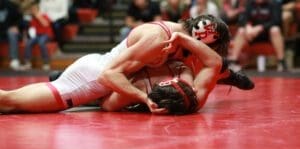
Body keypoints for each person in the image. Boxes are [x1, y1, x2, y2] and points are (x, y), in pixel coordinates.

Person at [96, 14, 253, 114]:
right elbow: (214, 62)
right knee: (212, 65)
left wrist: (142, 98)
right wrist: (181, 38)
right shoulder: (196, 100)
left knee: (196, 61)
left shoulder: (142, 85)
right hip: (166, 53)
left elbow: (106, 104)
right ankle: (227, 76)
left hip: (141, 63)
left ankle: (224, 74)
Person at [0, 59, 198, 115]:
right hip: (94, 79)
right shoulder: (147, 90)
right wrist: (142, 99)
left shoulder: (177, 65)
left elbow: (213, 63)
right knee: (9, 102)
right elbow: (108, 106)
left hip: (97, 64)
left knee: (12, 100)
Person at [228, 0, 287, 72]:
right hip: (252, 35)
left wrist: (260, 27)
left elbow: (276, 21)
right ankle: (232, 62)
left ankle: (281, 61)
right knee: (241, 31)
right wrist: (247, 26)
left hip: (268, 35)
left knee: (275, 29)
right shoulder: (249, 3)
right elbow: (242, 19)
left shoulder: (274, 3)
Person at [22, 1, 54, 71]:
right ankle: (28, 63)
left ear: (38, 9)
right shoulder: (32, 18)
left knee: (41, 43)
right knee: (28, 43)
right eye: (32, 9)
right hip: (37, 35)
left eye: (34, 9)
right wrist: (27, 37)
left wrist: (38, 16)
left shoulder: (44, 15)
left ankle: (46, 63)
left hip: (46, 35)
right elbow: (31, 29)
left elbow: (46, 24)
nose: (33, 11)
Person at [0, 0, 22, 70]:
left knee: (12, 33)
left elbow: (20, 18)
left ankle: (14, 60)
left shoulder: (10, 5)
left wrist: (16, 26)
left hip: (9, 30)